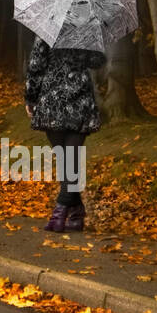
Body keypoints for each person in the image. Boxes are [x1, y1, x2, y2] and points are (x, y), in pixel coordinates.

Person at [24, 37, 106, 232]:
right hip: (79, 100)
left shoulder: (47, 31)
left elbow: (35, 66)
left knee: (67, 159)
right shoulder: (86, 30)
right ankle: (76, 213)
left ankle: (60, 212)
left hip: (53, 100)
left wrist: (30, 98)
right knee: (69, 159)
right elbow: (98, 61)